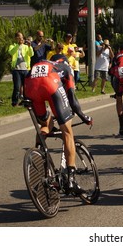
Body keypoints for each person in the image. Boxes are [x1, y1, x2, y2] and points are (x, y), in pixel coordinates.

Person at [24, 58, 93, 194]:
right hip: (50, 85)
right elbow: (72, 99)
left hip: (29, 87)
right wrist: (84, 117)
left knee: (46, 123)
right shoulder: (65, 67)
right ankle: (71, 178)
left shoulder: (42, 65)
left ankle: (40, 153)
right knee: (67, 132)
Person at [8, 31, 34, 107]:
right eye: (19, 37)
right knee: (17, 86)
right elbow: (11, 52)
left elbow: (31, 54)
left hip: (25, 68)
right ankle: (14, 101)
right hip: (16, 69)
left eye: (22, 37)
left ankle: (26, 100)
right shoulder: (12, 46)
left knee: (26, 86)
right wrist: (18, 45)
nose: (20, 38)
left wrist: (29, 46)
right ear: (16, 38)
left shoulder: (26, 46)